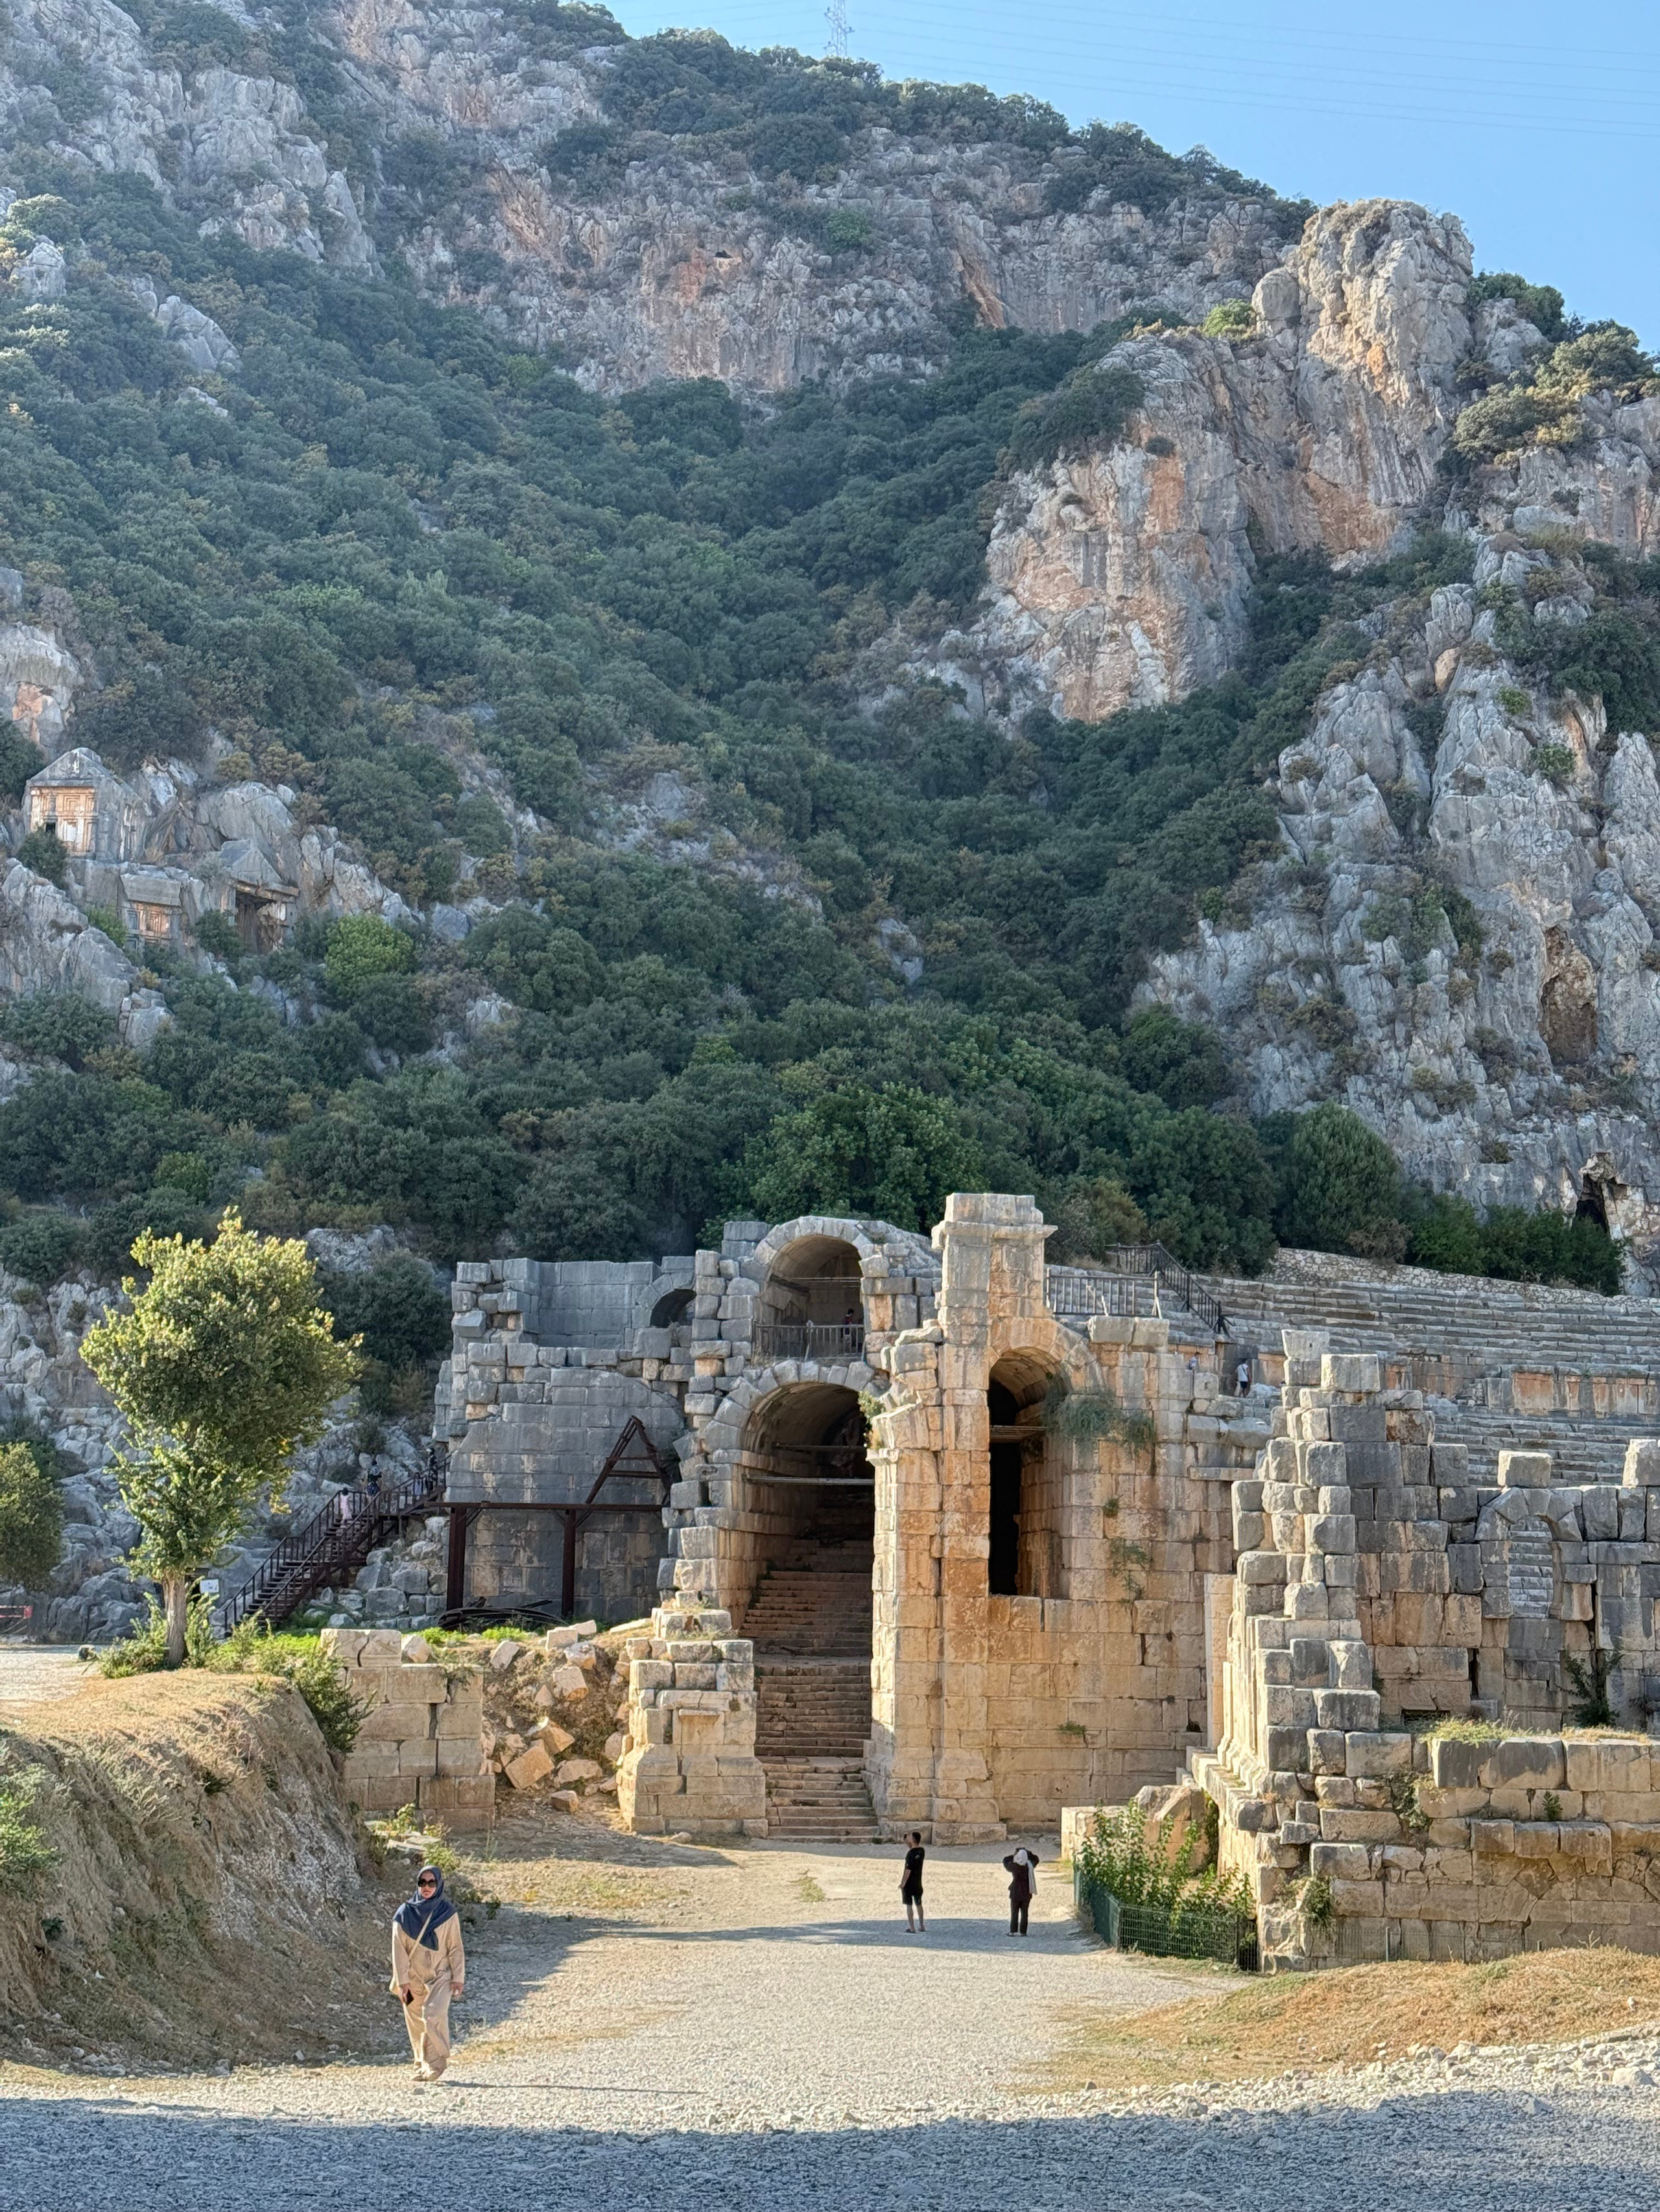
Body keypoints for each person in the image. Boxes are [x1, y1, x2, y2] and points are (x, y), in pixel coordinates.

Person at [391, 1863, 466, 2082]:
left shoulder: (448, 1913)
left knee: (433, 2014)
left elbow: (456, 1948)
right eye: (422, 1882)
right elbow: (398, 1949)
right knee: (415, 2022)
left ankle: (436, 2063)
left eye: (431, 1882)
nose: (426, 1887)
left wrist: (458, 1978)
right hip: (412, 1978)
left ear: (439, 1884)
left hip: (440, 1975)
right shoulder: (404, 1914)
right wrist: (402, 1981)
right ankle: (420, 2065)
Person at [1002, 1845, 1040, 1936]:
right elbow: (1036, 1859)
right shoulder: (1029, 1866)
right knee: (1025, 1913)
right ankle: (1023, 1932)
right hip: (1026, 1892)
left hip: (1015, 1892)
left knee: (1014, 1912)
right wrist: (1027, 1852)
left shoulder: (1014, 1866)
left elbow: (1005, 1860)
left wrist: (1015, 1854)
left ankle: (1012, 1931)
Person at [901, 1831, 926, 1932]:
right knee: (919, 1904)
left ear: (913, 1840)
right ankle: (922, 1925)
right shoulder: (921, 1851)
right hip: (918, 1883)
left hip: (909, 1884)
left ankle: (912, 1928)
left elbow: (908, 1870)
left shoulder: (910, 1854)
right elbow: (913, 1850)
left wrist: (903, 1883)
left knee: (909, 1905)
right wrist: (907, 1842)